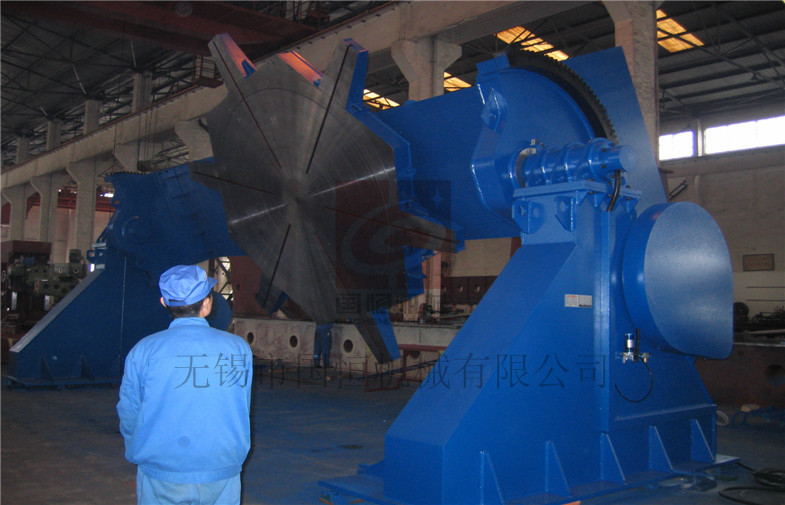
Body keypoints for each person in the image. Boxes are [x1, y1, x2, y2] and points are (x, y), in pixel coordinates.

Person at [117, 264, 253, 505]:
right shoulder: (237, 348)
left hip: (162, 469)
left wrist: (139, 449)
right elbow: (241, 405)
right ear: (207, 304)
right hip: (221, 468)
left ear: (164, 303)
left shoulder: (144, 351)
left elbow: (129, 411)